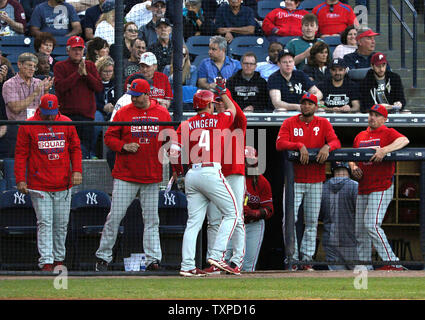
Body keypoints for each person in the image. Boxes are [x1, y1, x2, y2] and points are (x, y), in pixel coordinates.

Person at [95, 78, 172, 272]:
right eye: (132, 96)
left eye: (137, 96)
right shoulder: (123, 112)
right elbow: (109, 137)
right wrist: (123, 146)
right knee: (115, 217)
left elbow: (171, 139)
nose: (134, 99)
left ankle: (153, 259)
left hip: (151, 175)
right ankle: (103, 258)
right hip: (126, 175)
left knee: (152, 219)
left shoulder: (161, 112)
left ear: (147, 94)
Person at [169, 83, 240, 277]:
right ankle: (217, 255)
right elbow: (233, 109)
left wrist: (178, 172)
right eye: (212, 103)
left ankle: (187, 266)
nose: (214, 105)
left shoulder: (185, 124)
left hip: (192, 174)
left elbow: (173, 152)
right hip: (210, 171)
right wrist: (223, 93)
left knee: (193, 223)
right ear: (209, 105)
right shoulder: (218, 119)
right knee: (233, 213)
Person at [14, 93, 83, 272]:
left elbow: (75, 148)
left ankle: (59, 259)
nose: (50, 116)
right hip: (39, 183)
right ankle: (46, 261)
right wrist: (21, 179)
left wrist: (77, 170)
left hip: (63, 182)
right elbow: (21, 154)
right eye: (46, 113)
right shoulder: (28, 124)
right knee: (45, 222)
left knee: (61, 223)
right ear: (40, 109)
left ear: (58, 109)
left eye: (53, 112)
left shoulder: (66, 122)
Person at [276, 93, 341, 270]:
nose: (306, 106)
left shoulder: (323, 123)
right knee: (289, 220)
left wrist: (328, 146)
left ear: (316, 107)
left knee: (311, 221)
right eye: (304, 103)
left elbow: (336, 141)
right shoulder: (290, 122)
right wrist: (298, 145)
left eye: (310, 103)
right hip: (294, 181)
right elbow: (280, 143)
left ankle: (306, 259)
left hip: (315, 181)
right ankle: (292, 257)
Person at [350, 104, 409, 271]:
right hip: (363, 186)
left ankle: (393, 262)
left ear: (384, 119)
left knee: (371, 224)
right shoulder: (360, 135)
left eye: (376, 115)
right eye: (371, 114)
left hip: (381, 186)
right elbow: (352, 156)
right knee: (360, 231)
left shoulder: (388, 132)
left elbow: (404, 140)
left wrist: (385, 150)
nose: (372, 117)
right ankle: (364, 267)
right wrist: (353, 167)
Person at [203, 87, 247, 275]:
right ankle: (215, 261)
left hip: (234, 172)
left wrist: (225, 93)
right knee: (213, 220)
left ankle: (236, 261)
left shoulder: (235, 119)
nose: (219, 104)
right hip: (215, 174)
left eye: (222, 101)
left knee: (237, 218)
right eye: (216, 101)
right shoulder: (211, 122)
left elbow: (240, 115)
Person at [53, 36, 103, 159]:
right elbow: (60, 87)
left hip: (86, 117)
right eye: (74, 49)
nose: (77, 52)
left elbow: (98, 87)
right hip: (66, 117)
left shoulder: (90, 66)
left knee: (84, 151)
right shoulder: (60, 66)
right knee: (66, 150)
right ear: (68, 50)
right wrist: (77, 74)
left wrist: (86, 75)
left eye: (80, 49)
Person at [2, 53, 54, 157]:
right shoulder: (9, 84)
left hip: (38, 128)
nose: (32, 69)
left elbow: (47, 110)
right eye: (29, 65)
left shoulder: (38, 82)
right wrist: (35, 93)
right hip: (18, 128)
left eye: (34, 66)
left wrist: (46, 92)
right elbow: (16, 108)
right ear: (20, 65)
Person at [320, 161, 359, 270]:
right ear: (348, 169)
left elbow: (319, 216)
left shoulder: (322, 187)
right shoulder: (355, 186)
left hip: (330, 242)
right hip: (352, 242)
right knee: (361, 280)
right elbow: (363, 215)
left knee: (337, 280)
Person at [242, 146, 274, 272]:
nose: (248, 165)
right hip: (234, 224)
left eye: (251, 161)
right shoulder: (232, 178)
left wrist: (254, 213)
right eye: (245, 161)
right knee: (226, 261)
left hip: (253, 225)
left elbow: (269, 209)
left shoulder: (262, 181)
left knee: (248, 266)